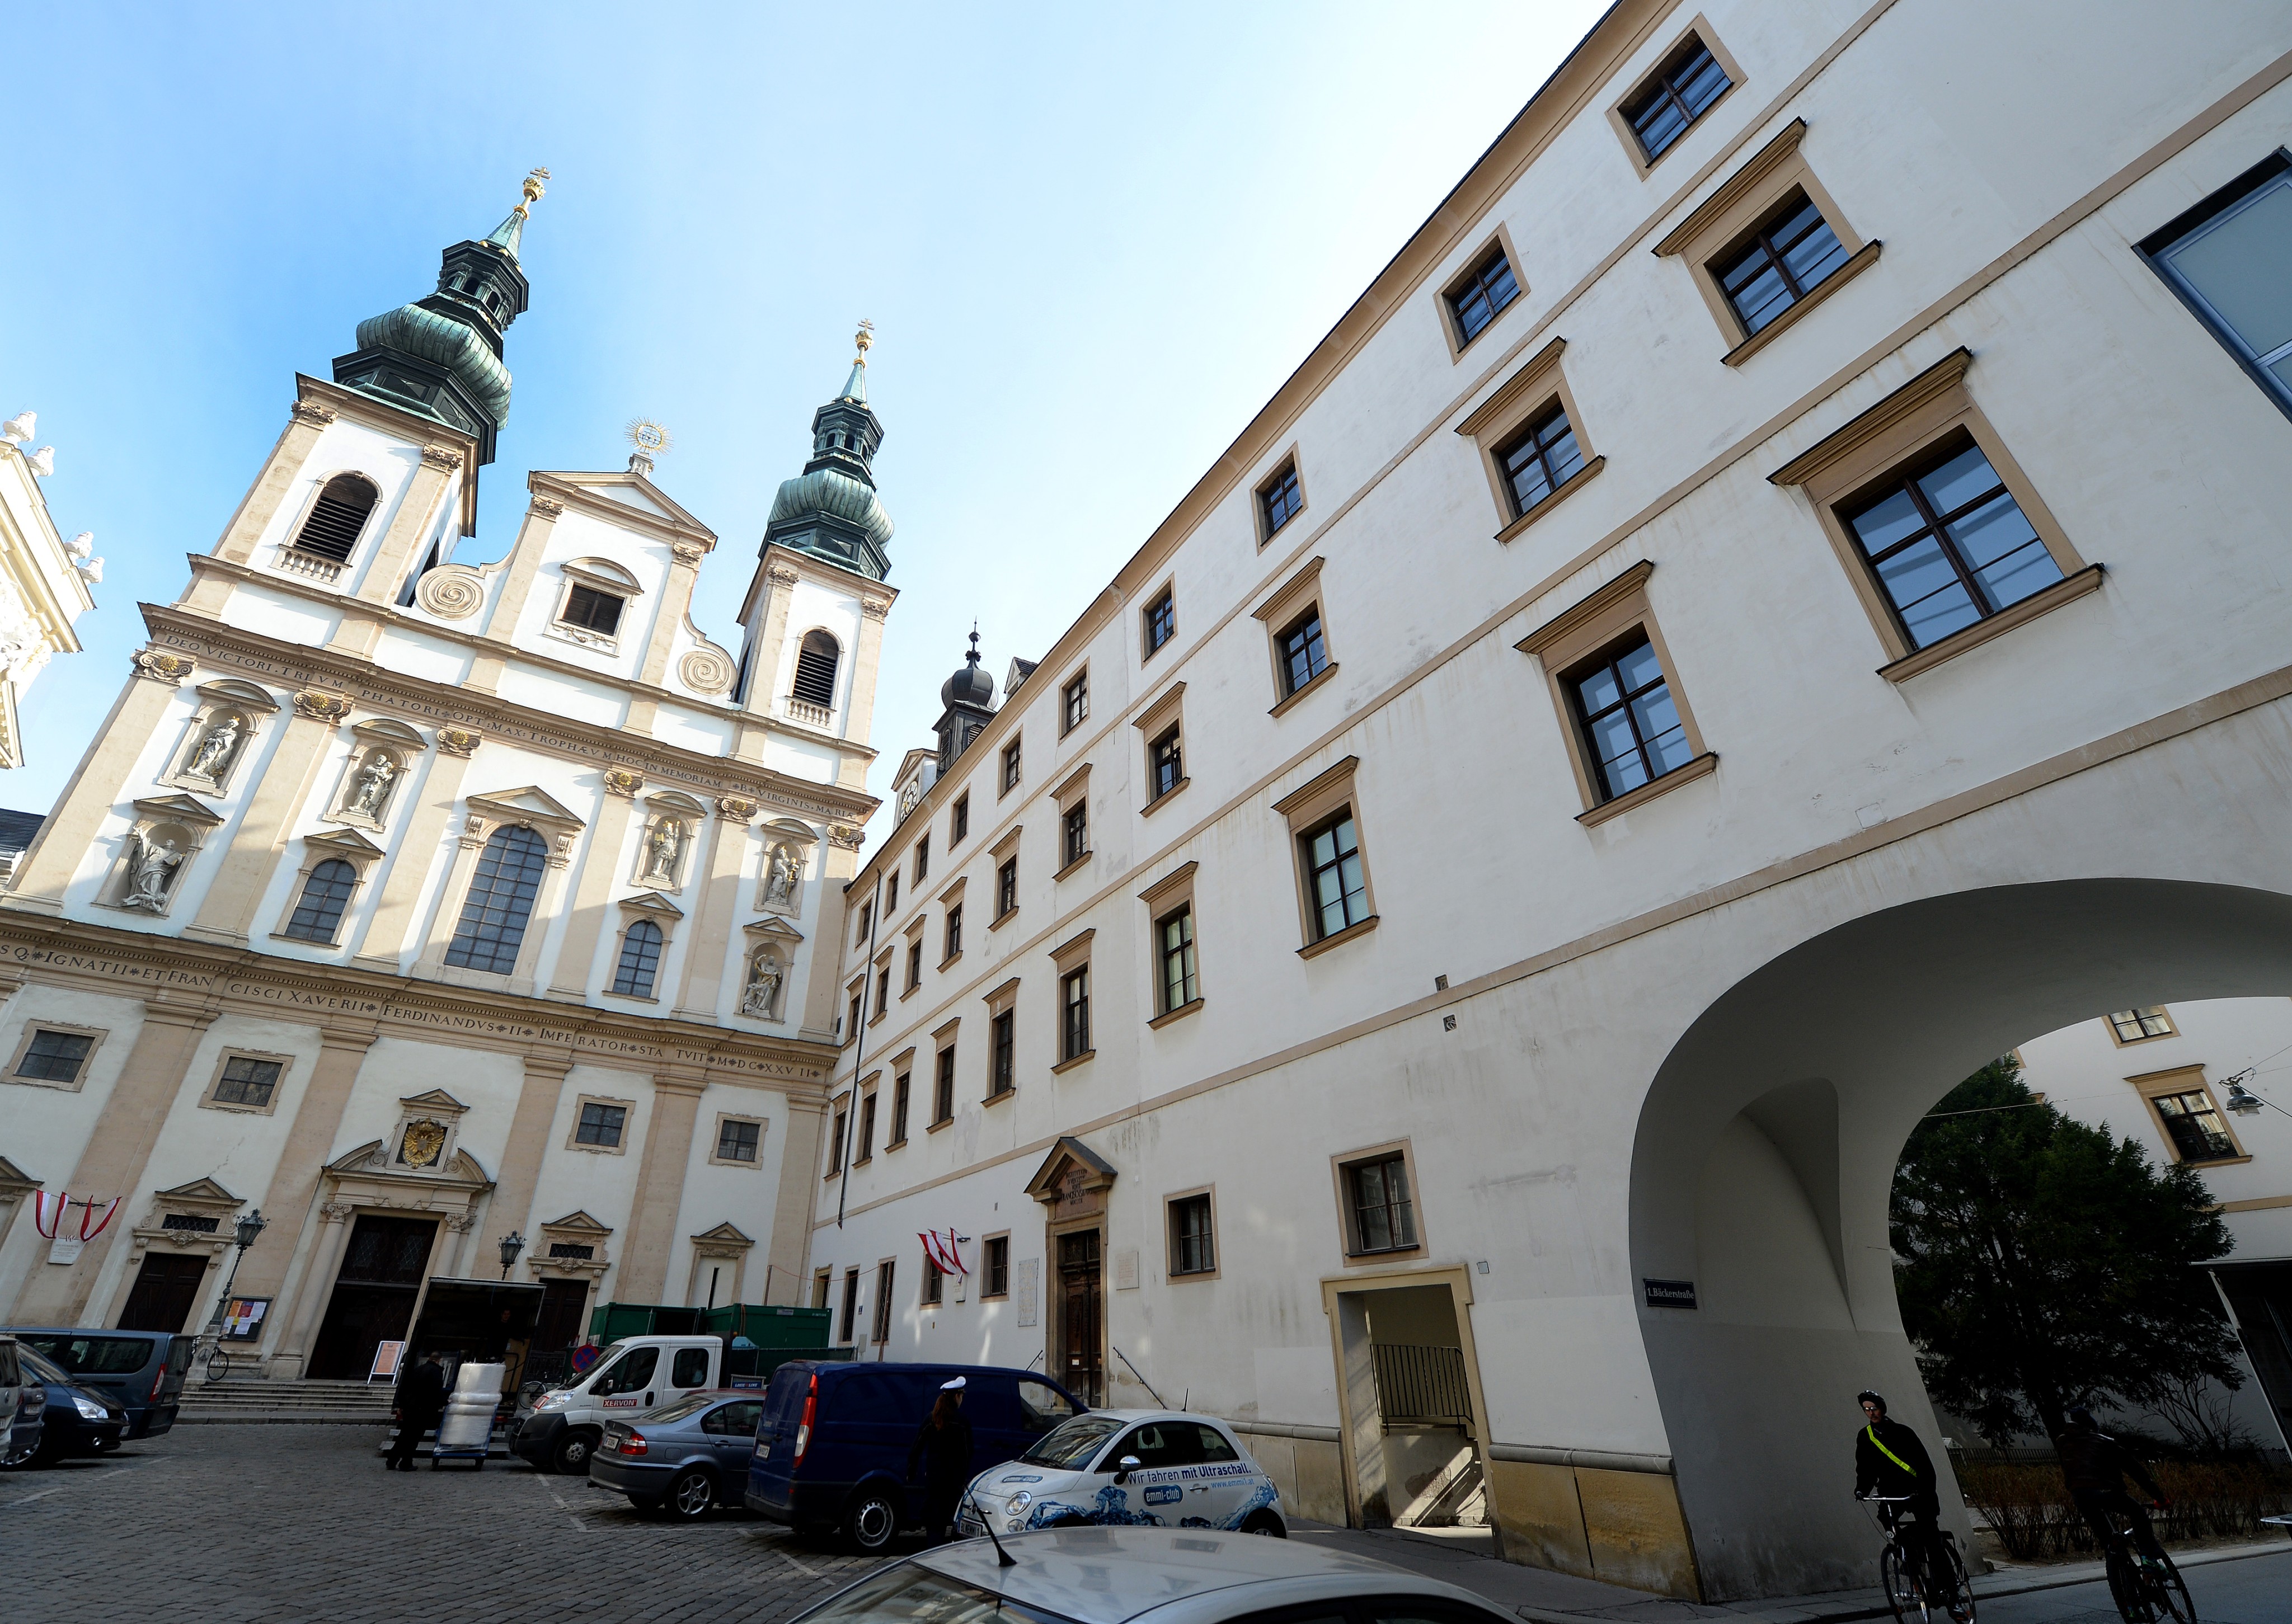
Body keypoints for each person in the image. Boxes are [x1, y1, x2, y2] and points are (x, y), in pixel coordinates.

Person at [1853, 1390, 1956, 1608]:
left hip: (1918, 1490)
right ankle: (1909, 1557)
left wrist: (1926, 1490)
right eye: (1867, 1410)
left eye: (1875, 1409)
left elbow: (1925, 1465)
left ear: (1883, 1409)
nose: (1871, 1413)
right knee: (1886, 1518)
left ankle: (1952, 1593)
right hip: (1892, 1492)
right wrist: (1862, 1489)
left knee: (1931, 1537)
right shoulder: (1865, 1437)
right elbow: (1866, 1468)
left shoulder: (1903, 1432)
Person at [2057, 1405, 2171, 1567]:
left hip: (2079, 1495)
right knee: (2138, 1513)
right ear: (2092, 1426)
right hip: (2105, 1492)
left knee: (2109, 1542)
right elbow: (2137, 1472)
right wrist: (2160, 1499)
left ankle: (2121, 1576)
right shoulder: (2104, 1442)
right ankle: (2149, 1560)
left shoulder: (2063, 1443)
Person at [908, 1376, 975, 1541]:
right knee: (952, 1522)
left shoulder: (931, 1419)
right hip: (953, 1483)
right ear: (957, 1397)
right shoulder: (962, 1421)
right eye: (962, 1396)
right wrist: (963, 1476)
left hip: (934, 1480)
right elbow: (968, 1452)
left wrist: (912, 1471)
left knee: (934, 1525)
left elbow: (916, 1447)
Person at [387, 1352, 447, 1471]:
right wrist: (444, 1402)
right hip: (422, 1409)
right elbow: (435, 1391)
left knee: (404, 1435)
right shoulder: (436, 1372)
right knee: (413, 1438)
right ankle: (406, 1463)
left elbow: (407, 1388)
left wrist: (402, 1406)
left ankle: (392, 1460)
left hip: (410, 1407)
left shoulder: (419, 1369)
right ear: (439, 1360)